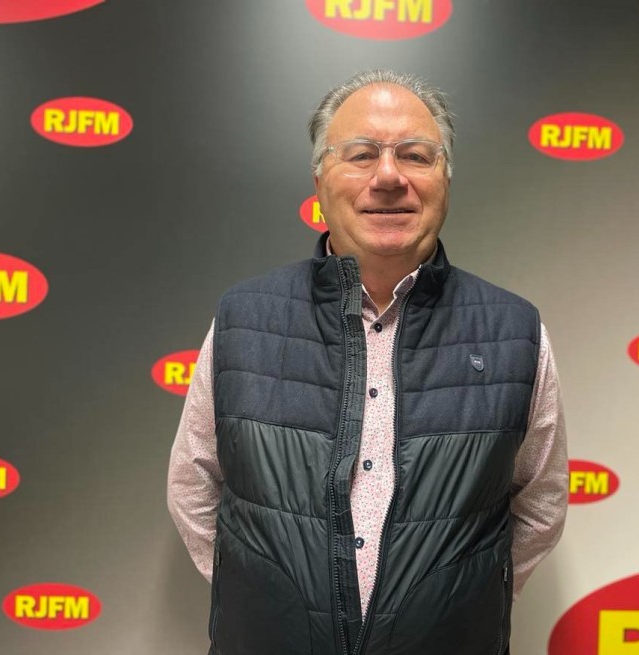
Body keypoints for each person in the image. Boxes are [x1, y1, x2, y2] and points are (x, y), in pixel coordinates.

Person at [167, 69, 568, 655]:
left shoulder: (514, 332)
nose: (388, 177)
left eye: (415, 155)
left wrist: (459, 600)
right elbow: (193, 485)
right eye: (360, 154)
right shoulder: (243, 319)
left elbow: (541, 501)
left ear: (445, 178)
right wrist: (267, 601)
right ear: (319, 179)